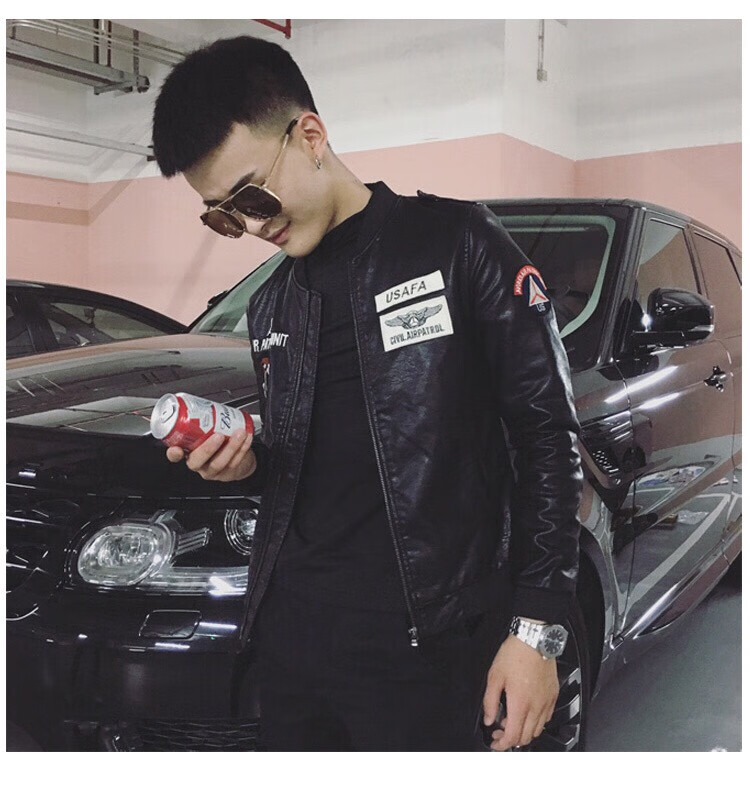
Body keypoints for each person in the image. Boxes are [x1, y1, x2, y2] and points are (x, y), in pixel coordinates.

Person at [151, 35, 583, 752]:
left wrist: (537, 630)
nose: (252, 226)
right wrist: (248, 463)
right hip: (293, 645)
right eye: (223, 215)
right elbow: (317, 459)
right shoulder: (273, 304)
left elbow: (548, 437)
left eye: (252, 196)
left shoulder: (457, 245)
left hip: (429, 648)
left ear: (310, 136)